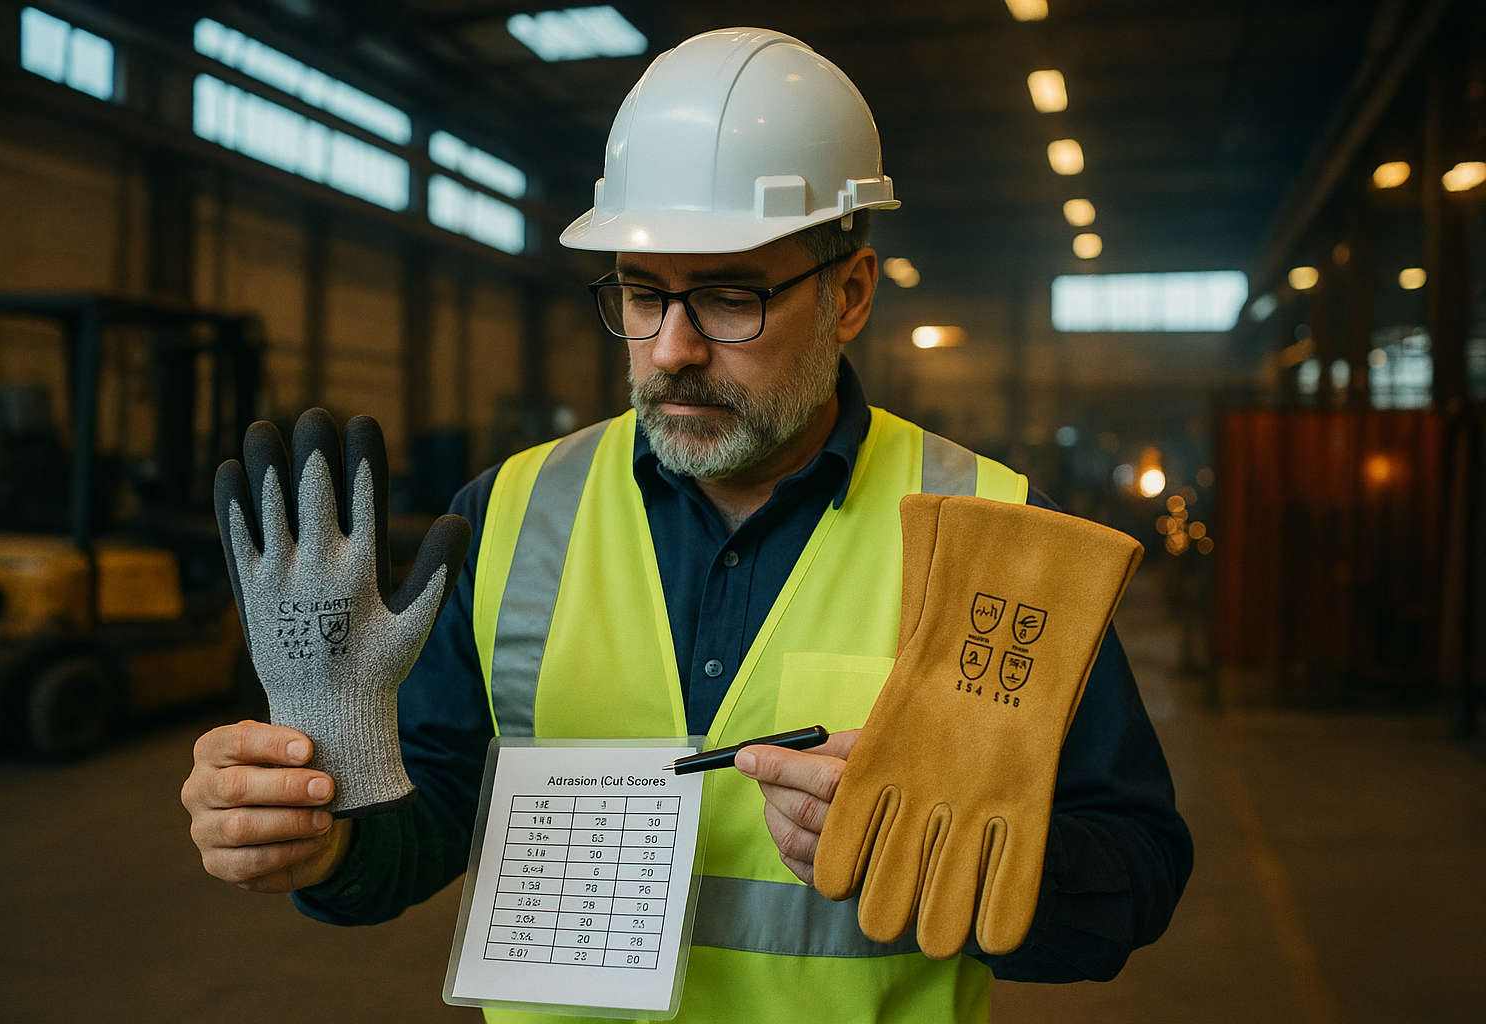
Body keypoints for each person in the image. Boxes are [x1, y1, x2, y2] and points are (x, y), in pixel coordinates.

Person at [182, 27, 1192, 1023]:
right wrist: (324, 836)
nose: (671, 348)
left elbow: (1134, 872)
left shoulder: (1002, 540)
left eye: (728, 296)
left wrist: (950, 862)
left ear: (848, 294)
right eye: (640, 294)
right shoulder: (509, 514)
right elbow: (441, 812)